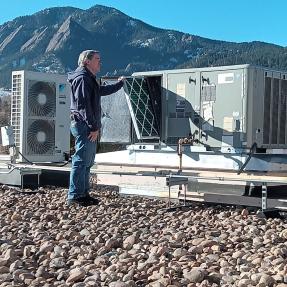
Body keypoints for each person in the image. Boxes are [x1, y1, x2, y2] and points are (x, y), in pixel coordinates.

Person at [67, 50, 124, 207]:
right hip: (84, 125)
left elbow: (100, 92)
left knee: (87, 161)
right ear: (87, 62)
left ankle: (83, 194)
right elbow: (82, 106)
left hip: (88, 125)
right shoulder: (82, 79)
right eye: (97, 59)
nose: (100, 62)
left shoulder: (89, 78)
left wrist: (120, 84)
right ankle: (75, 196)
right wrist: (93, 127)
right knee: (80, 160)